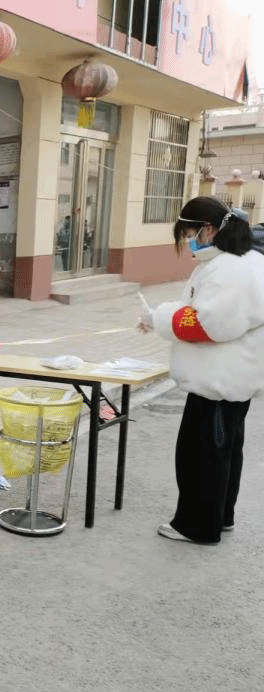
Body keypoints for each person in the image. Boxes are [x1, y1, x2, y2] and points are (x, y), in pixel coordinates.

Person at [138, 196, 264, 544]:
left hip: (218, 383)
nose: (188, 241)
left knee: (202, 458)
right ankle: (220, 517)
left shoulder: (229, 270)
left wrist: (158, 317)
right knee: (224, 453)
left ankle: (198, 526)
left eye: (188, 233)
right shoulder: (238, 261)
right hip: (229, 380)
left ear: (207, 229)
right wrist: (161, 318)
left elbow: (205, 323)